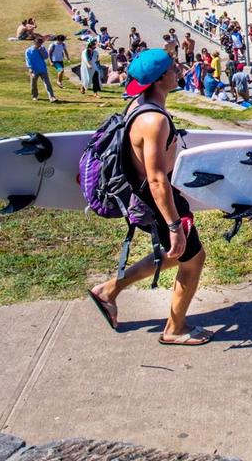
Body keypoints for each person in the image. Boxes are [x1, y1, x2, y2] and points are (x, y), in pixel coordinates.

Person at [88, 49, 212, 345]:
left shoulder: (140, 105)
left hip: (154, 197)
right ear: (159, 79)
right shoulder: (154, 121)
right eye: (173, 68)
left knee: (176, 256)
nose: (178, 70)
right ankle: (175, 328)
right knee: (192, 260)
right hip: (158, 201)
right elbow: (156, 178)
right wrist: (173, 225)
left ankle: (108, 291)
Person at [25, 36, 57, 102]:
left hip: (43, 69)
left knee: (47, 83)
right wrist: (30, 69)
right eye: (37, 43)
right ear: (34, 42)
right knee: (33, 84)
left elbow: (45, 57)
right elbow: (28, 60)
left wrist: (41, 51)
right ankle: (34, 96)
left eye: (40, 43)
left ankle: (52, 97)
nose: (39, 45)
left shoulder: (42, 48)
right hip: (34, 70)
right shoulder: (29, 51)